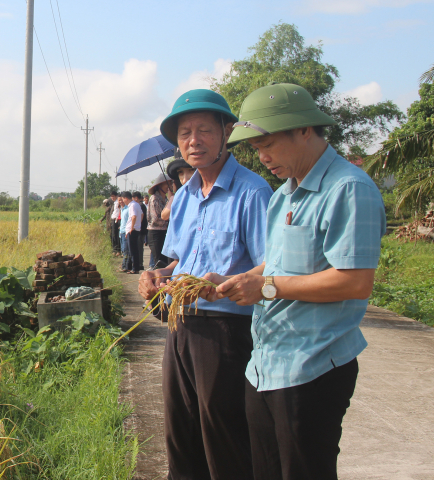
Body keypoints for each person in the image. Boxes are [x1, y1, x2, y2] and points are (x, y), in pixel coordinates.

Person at [200, 83, 386, 480]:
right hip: (266, 363)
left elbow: (354, 281)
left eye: (268, 144)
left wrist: (266, 288)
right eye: (256, 149)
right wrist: (236, 280)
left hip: (313, 367)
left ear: (304, 130)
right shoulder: (284, 194)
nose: (263, 158)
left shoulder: (348, 189)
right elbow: (279, 263)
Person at [138, 89, 273, 480]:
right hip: (181, 325)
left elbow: (272, 265)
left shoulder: (252, 191)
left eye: (203, 130)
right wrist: (157, 276)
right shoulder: (183, 197)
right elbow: (180, 262)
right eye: (184, 133)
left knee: (223, 433)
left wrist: (226, 282)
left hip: (227, 332)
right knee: (180, 430)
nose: (193, 140)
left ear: (226, 132)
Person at [146, 173, 173, 269]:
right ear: (160, 185)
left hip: (164, 232)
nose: (169, 187)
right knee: (159, 261)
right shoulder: (154, 198)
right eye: (167, 184)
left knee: (166, 261)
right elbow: (155, 218)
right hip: (155, 233)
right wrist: (167, 218)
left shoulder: (166, 198)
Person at [125, 191, 145, 273]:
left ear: (126, 198)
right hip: (135, 229)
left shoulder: (132, 205)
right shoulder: (136, 204)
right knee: (134, 250)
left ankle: (135, 269)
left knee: (132, 251)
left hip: (132, 230)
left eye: (123, 199)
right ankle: (133, 268)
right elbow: (142, 215)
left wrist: (132, 227)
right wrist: (138, 224)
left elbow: (133, 217)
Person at [100, 191, 120, 255]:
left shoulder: (118, 203)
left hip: (116, 220)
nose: (112, 198)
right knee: (113, 235)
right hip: (112, 221)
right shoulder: (113, 204)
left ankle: (117, 250)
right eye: (111, 196)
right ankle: (114, 250)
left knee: (116, 236)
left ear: (116, 196)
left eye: (113, 196)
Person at [118, 191, 132, 272]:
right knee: (123, 250)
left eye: (122, 200)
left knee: (126, 250)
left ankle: (125, 266)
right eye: (119, 200)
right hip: (122, 231)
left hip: (126, 232)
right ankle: (124, 265)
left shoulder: (128, 208)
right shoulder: (122, 209)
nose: (121, 201)